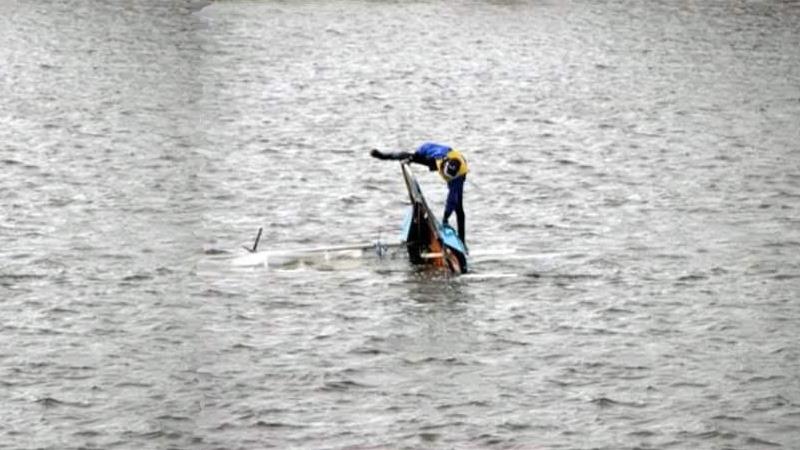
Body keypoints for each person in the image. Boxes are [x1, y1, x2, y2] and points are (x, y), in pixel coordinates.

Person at [370, 142, 469, 246]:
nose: (444, 176)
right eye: (444, 173)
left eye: (448, 176)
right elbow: (426, 146)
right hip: (441, 159)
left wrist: (445, 219)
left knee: (458, 208)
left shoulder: (457, 178)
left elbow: (451, 200)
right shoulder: (440, 153)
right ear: (444, 163)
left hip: (458, 176)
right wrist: (415, 156)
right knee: (410, 156)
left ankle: (462, 242)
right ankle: (383, 156)